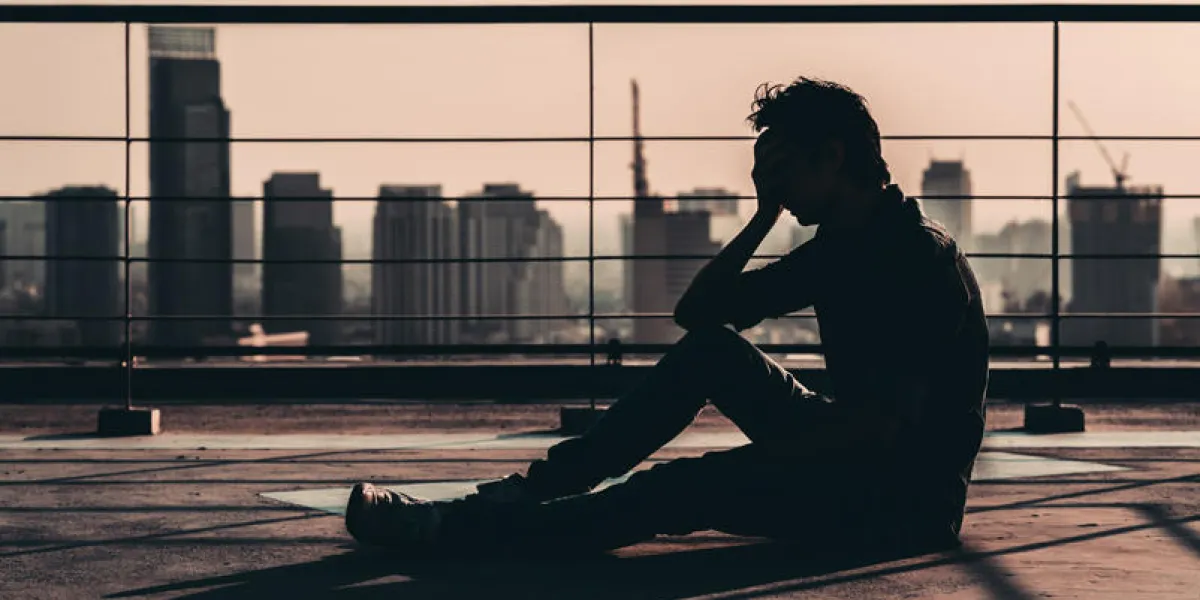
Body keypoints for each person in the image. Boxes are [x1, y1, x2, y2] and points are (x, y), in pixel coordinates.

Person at [345, 77, 990, 558]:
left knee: (677, 488)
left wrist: (753, 465)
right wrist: (764, 216)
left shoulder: (914, 258)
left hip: (899, 498)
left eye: (781, 166)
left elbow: (885, 429)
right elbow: (700, 316)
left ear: (832, 157)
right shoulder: (842, 245)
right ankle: (534, 491)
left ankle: (451, 531)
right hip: (853, 447)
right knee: (712, 353)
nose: (769, 180)